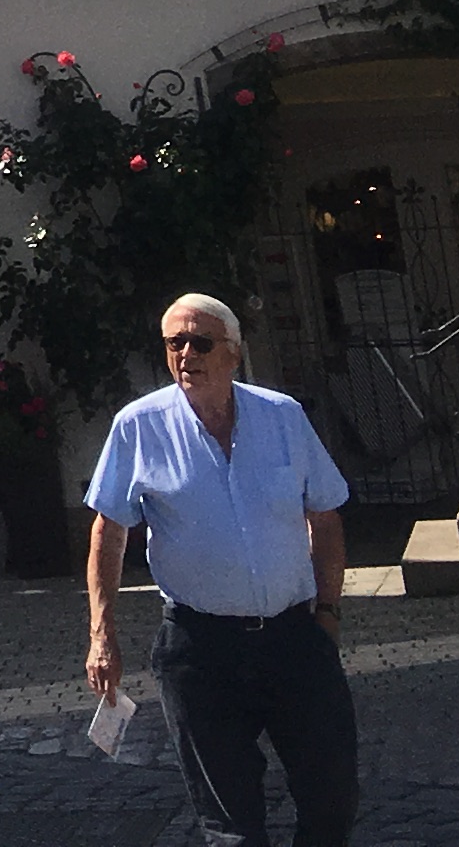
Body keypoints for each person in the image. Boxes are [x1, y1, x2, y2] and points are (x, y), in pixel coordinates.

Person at [83, 295, 355, 847]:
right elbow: (108, 531)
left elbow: (325, 516)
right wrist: (101, 636)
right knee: (229, 824)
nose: (186, 354)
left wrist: (327, 613)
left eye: (200, 343)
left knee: (332, 798)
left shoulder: (282, 417)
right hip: (201, 649)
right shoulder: (139, 426)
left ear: (233, 353)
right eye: (174, 343)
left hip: (292, 637)